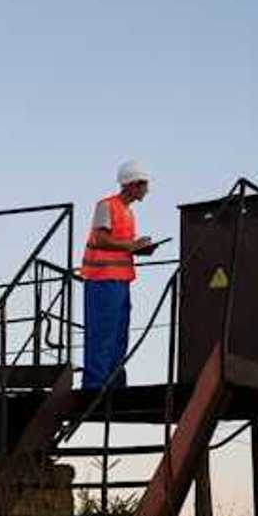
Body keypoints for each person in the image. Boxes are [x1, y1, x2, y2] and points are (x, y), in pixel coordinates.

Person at [80, 160, 160, 391]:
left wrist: (138, 248)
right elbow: (100, 239)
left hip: (120, 280)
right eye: (144, 185)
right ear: (133, 184)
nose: (147, 190)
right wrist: (131, 246)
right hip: (102, 280)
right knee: (102, 332)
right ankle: (96, 385)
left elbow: (121, 245)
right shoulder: (107, 206)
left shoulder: (128, 213)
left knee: (118, 335)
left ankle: (114, 382)